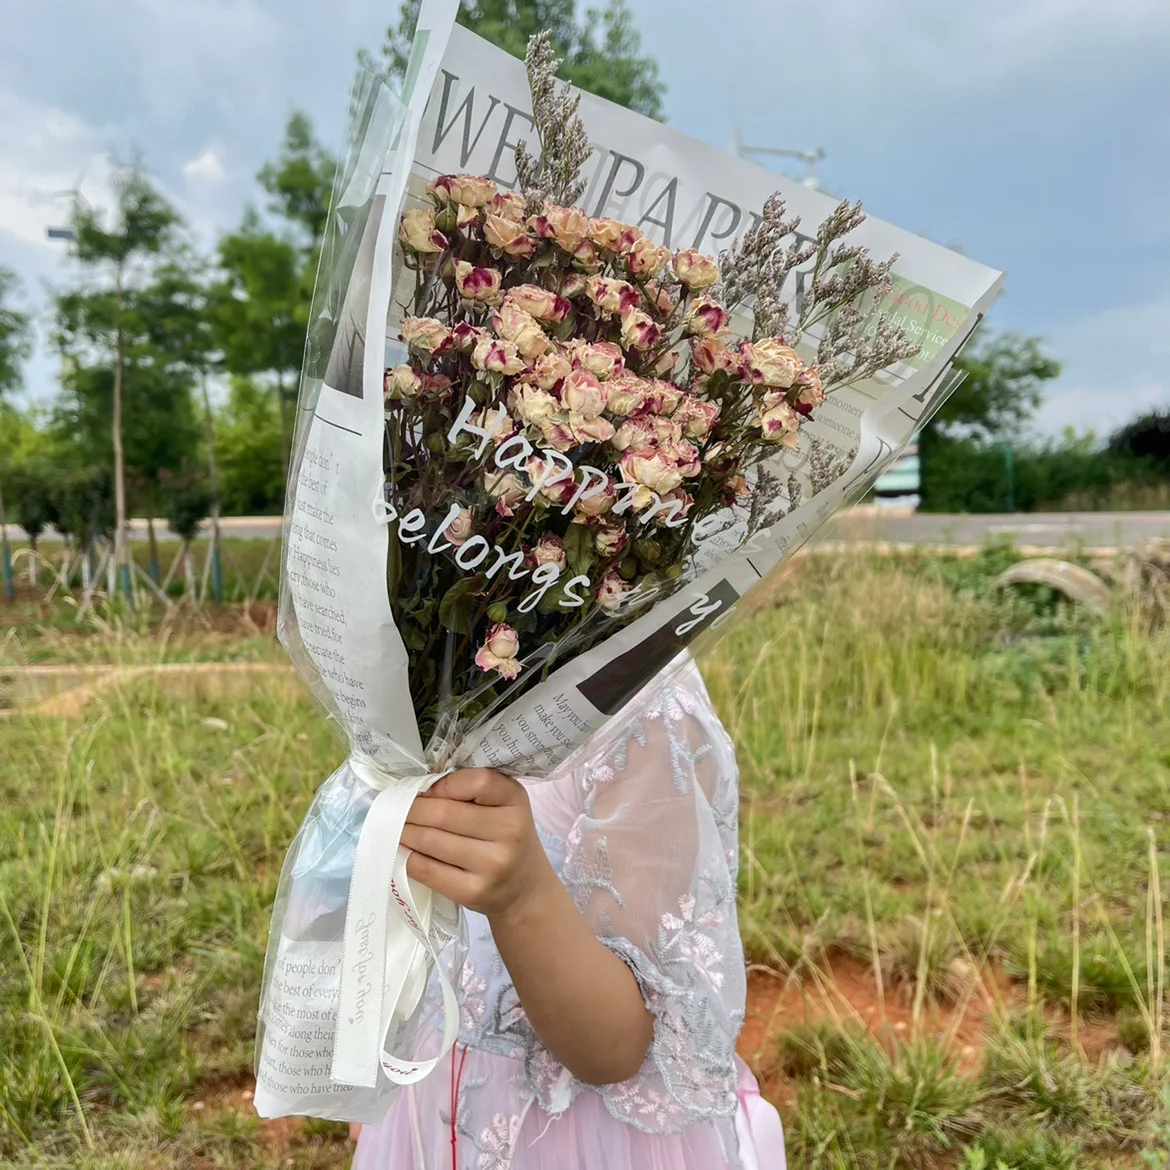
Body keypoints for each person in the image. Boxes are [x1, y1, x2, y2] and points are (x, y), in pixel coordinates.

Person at [351, 661, 786, 1170]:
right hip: (425, 1099)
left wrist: (522, 895)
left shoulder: (642, 711)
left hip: (579, 1140)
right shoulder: (436, 670)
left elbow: (613, 1049)